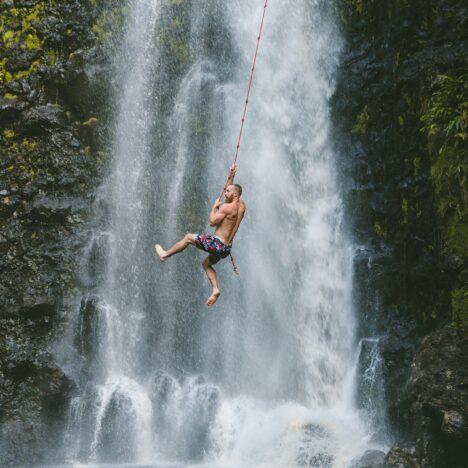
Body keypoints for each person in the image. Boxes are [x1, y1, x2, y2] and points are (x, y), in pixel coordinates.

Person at [155, 164, 245, 306]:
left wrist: (214, 207)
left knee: (189, 237)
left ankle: (165, 255)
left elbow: (212, 222)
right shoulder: (241, 206)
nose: (224, 193)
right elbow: (231, 193)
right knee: (206, 264)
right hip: (226, 249)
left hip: (217, 244)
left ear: (234, 194)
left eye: (227, 192)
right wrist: (231, 175)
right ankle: (215, 289)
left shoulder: (226, 207)